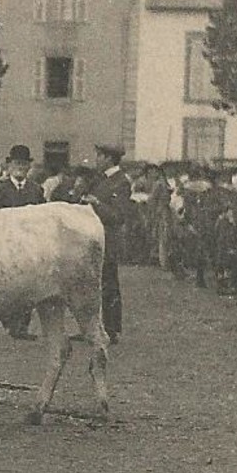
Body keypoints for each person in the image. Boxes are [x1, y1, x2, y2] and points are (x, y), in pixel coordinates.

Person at [0, 144, 45, 340]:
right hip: (1, 245)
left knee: (26, 285)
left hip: (26, 246)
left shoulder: (35, 190)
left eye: (24, 164)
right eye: (17, 163)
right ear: (9, 165)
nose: (21, 167)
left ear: (29, 167)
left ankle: (20, 327)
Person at [85, 144, 133, 343]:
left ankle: (111, 329)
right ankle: (94, 327)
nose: (96, 159)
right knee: (94, 284)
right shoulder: (102, 180)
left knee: (108, 284)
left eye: (99, 156)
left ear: (108, 158)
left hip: (108, 240)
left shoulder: (121, 182)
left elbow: (118, 216)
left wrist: (96, 203)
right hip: (95, 239)